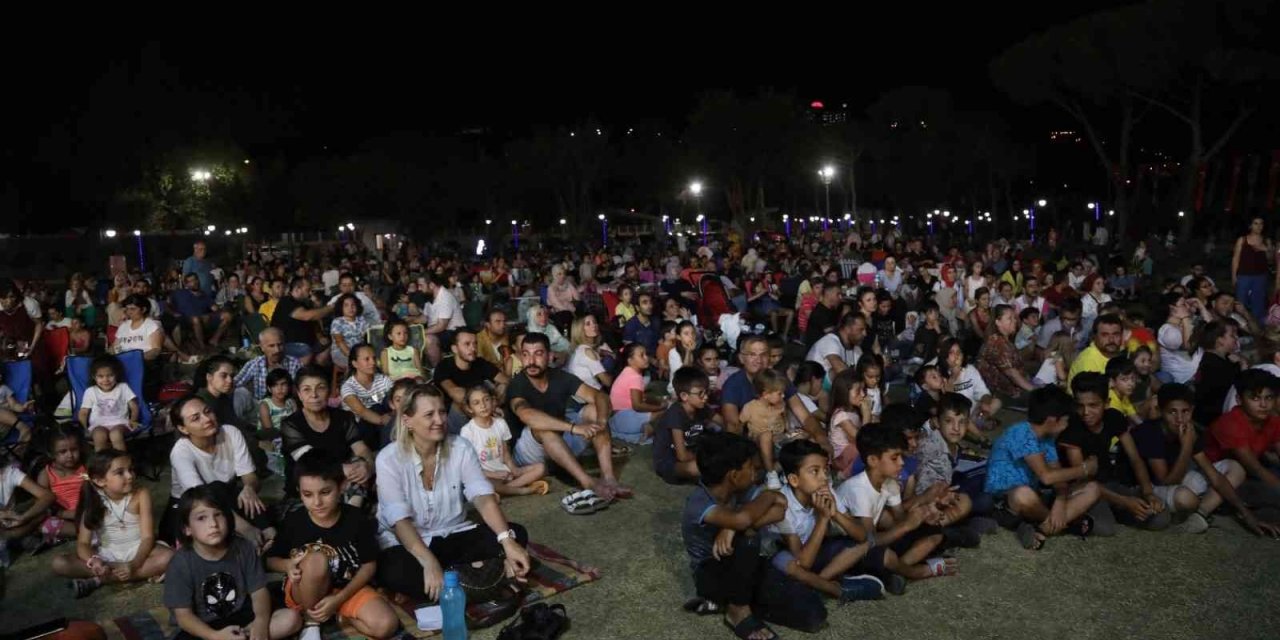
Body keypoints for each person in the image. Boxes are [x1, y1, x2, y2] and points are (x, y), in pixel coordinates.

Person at [373, 384, 532, 602]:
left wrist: (506, 541)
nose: (439, 420)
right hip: (411, 543)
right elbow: (400, 522)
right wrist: (429, 563)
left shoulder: (461, 447)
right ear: (407, 420)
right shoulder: (388, 459)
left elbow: (483, 498)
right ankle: (490, 577)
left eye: (442, 412)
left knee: (516, 533)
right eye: (429, 414)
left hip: (453, 534)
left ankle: (455, 585)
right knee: (393, 569)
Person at [681, 431, 827, 636]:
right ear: (733, 475)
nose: (755, 473)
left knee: (813, 613)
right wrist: (739, 524)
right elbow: (743, 520)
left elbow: (780, 506)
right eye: (751, 467)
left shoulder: (745, 490)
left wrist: (732, 526)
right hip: (712, 572)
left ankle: (729, 603)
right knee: (749, 539)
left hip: (746, 567)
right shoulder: (700, 503)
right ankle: (738, 611)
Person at [265, 452, 400, 640]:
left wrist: (339, 599)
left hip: (345, 588)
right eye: (307, 495)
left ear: (342, 486)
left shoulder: (356, 519)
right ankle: (311, 620)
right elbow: (270, 560)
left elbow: (369, 565)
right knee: (316, 559)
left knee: (386, 625)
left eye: (325, 492)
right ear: (299, 491)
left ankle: (340, 615)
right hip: (304, 591)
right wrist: (287, 565)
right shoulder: (294, 521)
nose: (317, 502)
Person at [1128, 383, 1280, 536]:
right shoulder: (1150, 432)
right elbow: (1166, 480)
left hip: (1179, 479)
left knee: (1235, 468)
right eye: (1172, 412)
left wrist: (1247, 514)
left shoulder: (1190, 430)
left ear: (1192, 410)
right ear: (1161, 412)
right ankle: (1203, 504)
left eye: (1185, 411)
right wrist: (1187, 446)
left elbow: (1214, 476)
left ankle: (1200, 514)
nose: (1179, 419)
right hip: (1150, 486)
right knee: (1185, 498)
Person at [164, 485, 302, 640]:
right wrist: (215, 636)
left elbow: (259, 592)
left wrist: (261, 623)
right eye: (202, 518)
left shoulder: (243, 548)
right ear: (187, 528)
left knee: (291, 619)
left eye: (218, 515)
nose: (213, 524)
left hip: (242, 617)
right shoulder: (180, 563)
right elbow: (184, 617)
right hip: (204, 627)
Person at [768, 440, 890, 602]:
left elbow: (862, 536)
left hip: (815, 555)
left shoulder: (825, 490)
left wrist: (835, 514)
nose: (824, 477)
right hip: (789, 559)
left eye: (825, 470)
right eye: (815, 471)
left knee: (864, 543)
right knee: (792, 568)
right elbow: (803, 563)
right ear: (794, 480)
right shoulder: (784, 505)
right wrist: (823, 518)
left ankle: (818, 584)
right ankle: (832, 587)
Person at [984, 385, 1102, 550]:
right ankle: (1063, 525)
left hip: (1036, 496)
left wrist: (1060, 502)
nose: (1067, 424)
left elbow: (1057, 475)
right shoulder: (1021, 433)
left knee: (1093, 488)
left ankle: (1043, 527)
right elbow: (1046, 476)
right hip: (1004, 499)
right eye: (1066, 420)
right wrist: (1084, 469)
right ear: (1052, 420)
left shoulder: (1046, 439)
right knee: (1022, 494)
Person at [837, 426, 958, 582]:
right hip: (848, 546)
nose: (901, 463)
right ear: (873, 460)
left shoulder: (890, 483)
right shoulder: (858, 490)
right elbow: (868, 541)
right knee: (886, 555)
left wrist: (926, 513)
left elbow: (900, 519)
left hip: (874, 539)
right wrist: (906, 526)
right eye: (894, 458)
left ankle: (896, 570)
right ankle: (916, 572)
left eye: (901, 456)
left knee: (934, 533)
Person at [51, 449, 173, 598]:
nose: (129, 476)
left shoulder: (141, 494)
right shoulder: (94, 499)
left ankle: (98, 581)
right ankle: (121, 575)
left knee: (170, 557)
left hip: (139, 551)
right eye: (120, 472)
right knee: (60, 563)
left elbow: (147, 538)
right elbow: (83, 543)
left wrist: (133, 564)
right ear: (100, 481)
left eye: (130, 470)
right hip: (107, 556)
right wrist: (94, 561)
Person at [1058, 373, 1171, 536]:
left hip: (1109, 483)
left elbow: (1135, 458)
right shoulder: (1071, 428)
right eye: (1080, 405)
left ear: (1106, 403)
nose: (1085, 412)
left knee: (1160, 518)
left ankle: (1117, 510)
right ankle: (1078, 516)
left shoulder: (1114, 417)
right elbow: (1084, 480)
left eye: (1093, 405)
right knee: (1105, 528)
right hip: (1084, 490)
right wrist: (1125, 502)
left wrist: (1148, 493)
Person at [166, 396, 274, 548]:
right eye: (196, 418)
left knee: (241, 493)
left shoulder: (231, 433)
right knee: (216, 489)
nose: (207, 419)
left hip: (224, 496)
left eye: (207, 411)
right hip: (191, 504)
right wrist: (243, 527)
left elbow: (250, 476)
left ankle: (269, 533)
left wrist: (249, 488)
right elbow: (201, 497)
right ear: (183, 428)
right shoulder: (181, 452)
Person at [284, 366, 376, 508]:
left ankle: (353, 513)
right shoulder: (290, 424)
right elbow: (308, 459)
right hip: (309, 490)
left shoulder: (344, 418)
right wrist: (341, 470)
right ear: (299, 394)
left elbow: (361, 448)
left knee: (359, 462)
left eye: (320, 388)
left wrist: (367, 465)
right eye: (307, 389)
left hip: (344, 482)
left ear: (329, 391)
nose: (314, 395)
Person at [721, 336, 823, 448]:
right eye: (752, 354)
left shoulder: (778, 379)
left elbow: (804, 416)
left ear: (769, 358)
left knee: (808, 436)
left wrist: (822, 440)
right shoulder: (733, 384)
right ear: (741, 358)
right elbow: (733, 425)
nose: (758, 360)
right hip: (753, 442)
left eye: (763, 354)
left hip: (781, 437)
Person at [1205, 369, 1280, 508]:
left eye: (1268, 398)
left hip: (1251, 471)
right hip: (1222, 478)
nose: (1263, 405)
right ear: (1239, 399)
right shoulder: (1230, 423)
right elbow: (1254, 468)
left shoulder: (1273, 421)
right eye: (1255, 398)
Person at [459, 385, 549, 497]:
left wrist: (514, 470)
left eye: (486, 400)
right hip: (487, 476)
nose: (483, 405)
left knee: (540, 468)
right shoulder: (468, 431)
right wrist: (495, 474)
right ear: (469, 408)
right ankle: (523, 490)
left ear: (493, 401)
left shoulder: (500, 423)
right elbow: (470, 467)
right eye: (476, 403)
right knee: (484, 483)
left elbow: (505, 454)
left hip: (505, 473)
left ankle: (504, 490)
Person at [435, 328, 509, 434]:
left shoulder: (480, 362)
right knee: (460, 401)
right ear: (455, 348)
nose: (473, 348)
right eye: (467, 344)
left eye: (475, 344)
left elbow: (506, 380)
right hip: (459, 416)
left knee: (504, 386)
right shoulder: (444, 366)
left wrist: (491, 402)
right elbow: (455, 393)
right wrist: (487, 406)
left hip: (486, 407)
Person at [740, 369, 797, 490]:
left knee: (801, 434)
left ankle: (784, 469)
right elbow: (740, 427)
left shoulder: (781, 405)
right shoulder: (750, 407)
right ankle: (771, 473)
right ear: (766, 394)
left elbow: (785, 424)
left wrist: (790, 433)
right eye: (779, 393)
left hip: (778, 441)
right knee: (766, 435)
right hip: (760, 444)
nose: (783, 396)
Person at [0, 455, 55, 569]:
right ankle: (19, 537)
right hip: (7, 528)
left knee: (38, 513)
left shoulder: (9, 473)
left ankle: (18, 537)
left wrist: (24, 517)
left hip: (8, 524)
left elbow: (48, 496)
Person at [35, 426, 86, 546]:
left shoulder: (84, 469)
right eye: (63, 452)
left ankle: (80, 533)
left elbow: (96, 488)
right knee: (41, 523)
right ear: (52, 454)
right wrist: (61, 513)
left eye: (74, 450)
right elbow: (42, 501)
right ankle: (82, 533)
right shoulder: (46, 474)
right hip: (62, 515)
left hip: (87, 511)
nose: (70, 455)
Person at [78, 355, 140, 452]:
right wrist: (84, 428)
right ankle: (102, 463)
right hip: (98, 425)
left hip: (120, 423)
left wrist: (133, 420)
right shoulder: (91, 391)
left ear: (116, 374)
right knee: (99, 435)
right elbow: (83, 412)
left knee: (115, 434)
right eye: (100, 376)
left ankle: (121, 460)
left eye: (110, 375)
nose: (106, 380)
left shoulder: (123, 387)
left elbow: (134, 407)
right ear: (94, 377)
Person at [609, 343, 668, 444]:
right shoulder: (634, 377)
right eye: (641, 355)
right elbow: (637, 405)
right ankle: (649, 428)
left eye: (646, 354)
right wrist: (661, 407)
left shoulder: (627, 372)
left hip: (617, 420)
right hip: (626, 419)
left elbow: (642, 397)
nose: (646, 358)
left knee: (658, 406)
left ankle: (646, 428)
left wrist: (658, 400)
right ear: (630, 360)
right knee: (668, 411)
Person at [271, 277, 335, 366]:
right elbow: (308, 316)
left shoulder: (304, 303)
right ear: (297, 289)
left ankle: (317, 371)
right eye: (307, 289)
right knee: (306, 350)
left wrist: (320, 336)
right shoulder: (286, 301)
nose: (310, 292)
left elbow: (314, 323)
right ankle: (299, 374)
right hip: (288, 344)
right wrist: (331, 308)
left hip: (309, 342)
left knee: (331, 344)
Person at [977, 305, 1036, 399]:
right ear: (998, 322)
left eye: (1014, 318)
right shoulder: (997, 343)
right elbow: (1012, 373)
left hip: (1014, 386)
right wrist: (1035, 390)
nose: (1015, 321)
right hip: (1004, 394)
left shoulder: (1005, 340)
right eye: (1010, 319)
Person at [341, 344, 395, 443]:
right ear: (355, 363)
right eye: (367, 359)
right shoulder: (348, 387)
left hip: (384, 424)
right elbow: (361, 411)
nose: (373, 362)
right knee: (376, 408)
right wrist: (383, 420)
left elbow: (396, 400)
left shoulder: (383, 380)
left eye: (374, 358)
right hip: (362, 429)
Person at [170, 273, 233, 353]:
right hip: (186, 319)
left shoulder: (204, 295)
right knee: (195, 319)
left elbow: (215, 308)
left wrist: (222, 309)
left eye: (196, 279)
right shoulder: (180, 293)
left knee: (227, 316)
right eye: (191, 281)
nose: (195, 282)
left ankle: (214, 339)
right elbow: (167, 304)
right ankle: (202, 346)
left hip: (203, 318)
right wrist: (172, 313)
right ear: (187, 284)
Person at [1067, 313, 1125, 387]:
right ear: (1094, 337)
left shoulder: (1120, 354)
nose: (1111, 340)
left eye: (1116, 334)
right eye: (1105, 335)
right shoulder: (1088, 361)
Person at [1157, 293, 1204, 384]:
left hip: (1200, 375)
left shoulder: (1189, 322)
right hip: (1183, 380)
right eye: (1183, 304)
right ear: (1172, 308)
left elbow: (1214, 330)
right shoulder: (1167, 332)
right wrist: (1185, 318)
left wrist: (1201, 306)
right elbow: (1189, 346)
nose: (1188, 307)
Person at [1232, 217, 1271, 321]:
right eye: (1256, 223)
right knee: (1241, 302)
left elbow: (1271, 260)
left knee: (1258, 302)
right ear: (1250, 225)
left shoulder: (1266, 240)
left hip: (1260, 276)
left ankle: (1257, 327)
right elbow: (1236, 259)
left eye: (1261, 224)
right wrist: (1234, 276)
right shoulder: (1242, 240)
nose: (1259, 226)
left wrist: (1266, 249)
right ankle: (1240, 324)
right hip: (1244, 275)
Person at [805, 313, 864, 380]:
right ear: (847, 329)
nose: (865, 334)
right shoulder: (829, 341)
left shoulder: (857, 350)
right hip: (813, 385)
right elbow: (840, 369)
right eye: (861, 330)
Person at [567, 314, 615, 392]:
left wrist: (610, 354)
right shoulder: (587, 352)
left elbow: (599, 351)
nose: (594, 326)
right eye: (588, 324)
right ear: (580, 329)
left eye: (594, 322)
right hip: (591, 395)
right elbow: (608, 382)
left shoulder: (580, 348)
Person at [328, 293, 369, 372]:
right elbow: (340, 342)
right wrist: (352, 357)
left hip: (360, 352)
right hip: (341, 353)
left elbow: (367, 336)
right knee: (357, 364)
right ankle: (350, 383)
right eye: (346, 305)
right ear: (341, 308)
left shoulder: (361, 320)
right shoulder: (337, 322)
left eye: (353, 305)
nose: (350, 308)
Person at [476, 308, 514, 372]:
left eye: (504, 321)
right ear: (487, 324)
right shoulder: (477, 340)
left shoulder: (510, 337)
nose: (502, 325)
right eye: (498, 321)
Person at [622, 292, 659, 356]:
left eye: (650, 302)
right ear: (637, 307)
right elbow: (630, 351)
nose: (649, 306)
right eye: (645, 303)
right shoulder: (630, 325)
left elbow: (660, 342)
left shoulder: (655, 321)